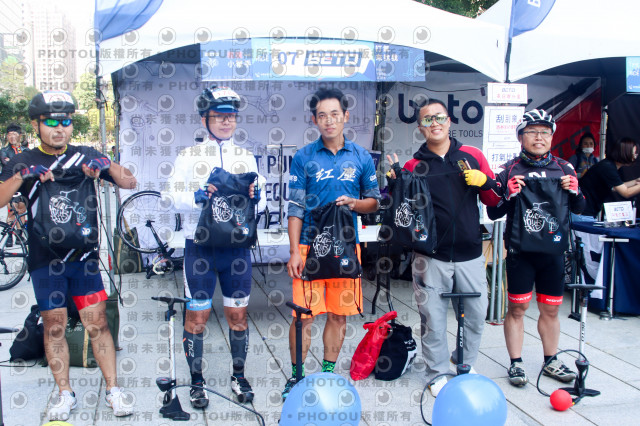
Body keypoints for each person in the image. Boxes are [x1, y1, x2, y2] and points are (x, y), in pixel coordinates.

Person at [0, 91, 137, 421]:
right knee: (54, 327)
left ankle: (113, 390)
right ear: (36, 125)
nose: (59, 128)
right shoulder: (23, 159)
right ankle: (65, 394)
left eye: (65, 121)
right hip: (45, 262)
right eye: (51, 122)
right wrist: (23, 175)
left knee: (98, 323)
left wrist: (105, 165)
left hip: (84, 260)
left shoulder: (84, 155)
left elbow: (130, 182)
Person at [386, 98, 500, 397]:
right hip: (429, 256)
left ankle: (465, 363)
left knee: (476, 314)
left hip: (470, 253)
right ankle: (436, 372)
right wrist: (394, 186)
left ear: (449, 121)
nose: (434, 123)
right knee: (433, 319)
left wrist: (485, 182)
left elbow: (494, 201)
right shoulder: (413, 166)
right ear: (420, 127)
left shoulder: (473, 156)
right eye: (427, 119)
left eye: (439, 117)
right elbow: (402, 212)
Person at [163, 86, 266, 408]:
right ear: (204, 119)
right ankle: (197, 382)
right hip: (200, 248)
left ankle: (239, 376)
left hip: (236, 249)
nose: (226, 122)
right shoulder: (188, 156)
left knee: (238, 316)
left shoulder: (245, 157)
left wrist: (257, 199)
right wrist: (195, 196)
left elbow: (261, 204)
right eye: (219, 116)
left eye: (231, 116)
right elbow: (170, 197)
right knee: (197, 318)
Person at [281, 88, 381, 400]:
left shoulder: (361, 156)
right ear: (314, 120)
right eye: (322, 115)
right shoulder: (304, 157)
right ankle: (296, 377)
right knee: (303, 316)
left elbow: (374, 201)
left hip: (346, 248)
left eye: (334, 114)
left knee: (338, 315)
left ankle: (327, 374)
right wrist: (294, 251)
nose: (329, 121)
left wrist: (354, 203)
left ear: (345, 116)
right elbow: (295, 207)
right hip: (309, 246)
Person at [487, 109, 585, 387]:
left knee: (551, 310)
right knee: (517, 309)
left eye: (545, 132)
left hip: (553, 253)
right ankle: (516, 363)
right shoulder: (509, 170)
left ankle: (550, 360)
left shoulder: (565, 168)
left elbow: (581, 207)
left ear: (552, 137)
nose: (539, 137)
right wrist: (508, 194)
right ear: (521, 137)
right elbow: (494, 212)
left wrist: (576, 190)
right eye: (532, 132)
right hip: (521, 254)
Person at [578, 137, 640, 219]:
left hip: (586, 210)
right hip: (583, 212)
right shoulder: (608, 167)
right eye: (634, 153)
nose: (635, 156)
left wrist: (635, 181)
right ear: (625, 152)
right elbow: (626, 192)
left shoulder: (609, 165)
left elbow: (616, 187)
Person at [1, 123, 28, 240]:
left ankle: (19, 235)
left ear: (20, 136)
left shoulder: (26, 150)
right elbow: (7, 164)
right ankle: (9, 237)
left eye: (14, 134)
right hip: (10, 183)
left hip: (24, 183)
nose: (12, 137)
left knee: (22, 209)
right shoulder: (4, 150)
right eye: (9, 134)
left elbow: (29, 164)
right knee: (11, 210)